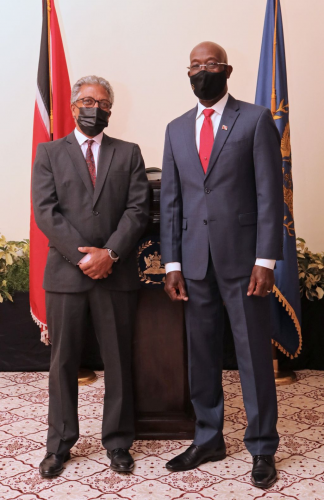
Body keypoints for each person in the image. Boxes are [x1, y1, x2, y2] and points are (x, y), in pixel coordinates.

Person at [160, 42, 283, 489]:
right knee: (202, 356)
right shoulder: (175, 129)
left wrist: (265, 259)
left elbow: (271, 194)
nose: (201, 71)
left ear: (226, 70)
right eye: (194, 65)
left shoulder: (254, 119)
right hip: (193, 263)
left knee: (252, 356)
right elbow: (171, 201)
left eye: (209, 64)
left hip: (245, 263)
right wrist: (172, 262)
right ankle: (209, 438)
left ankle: (263, 445)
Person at [32, 75, 149, 477]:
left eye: (100, 102)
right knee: (63, 362)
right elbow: (46, 212)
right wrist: (84, 258)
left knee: (118, 360)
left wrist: (110, 254)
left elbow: (137, 210)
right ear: (71, 106)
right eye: (85, 100)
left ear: (110, 111)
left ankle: (118, 442)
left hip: (116, 275)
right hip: (66, 276)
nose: (92, 107)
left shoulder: (129, 153)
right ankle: (59, 444)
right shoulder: (48, 153)